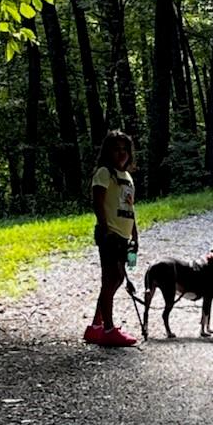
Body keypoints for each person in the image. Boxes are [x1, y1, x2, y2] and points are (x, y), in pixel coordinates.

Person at [85, 129, 140, 347]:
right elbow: (98, 202)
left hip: (124, 235)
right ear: (108, 151)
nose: (121, 153)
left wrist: (135, 233)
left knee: (115, 280)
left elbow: (129, 207)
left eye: (125, 149)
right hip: (110, 234)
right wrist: (105, 228)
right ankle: (108, 330)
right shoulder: (104, 173)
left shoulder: (127, 177)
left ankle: (96, 326)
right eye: (116, 149)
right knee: (111, 280)